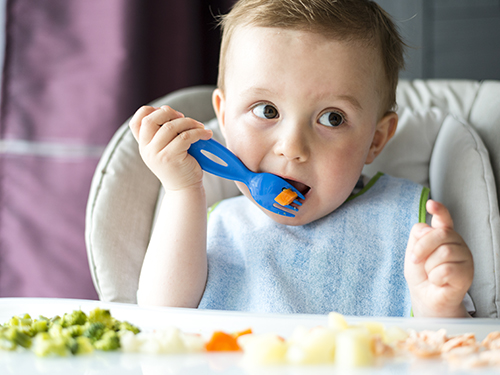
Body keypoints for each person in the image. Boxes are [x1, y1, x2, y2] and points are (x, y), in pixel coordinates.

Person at [129, 0, 474, 318]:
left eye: (332, 118)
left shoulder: (411, 229)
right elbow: (161, 317)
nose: (292, 146)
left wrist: (440, 304)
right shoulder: (213, 229)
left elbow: (451, 349)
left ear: (376, 139)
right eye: (266, 111)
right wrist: (183, 191)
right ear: (223, 118)